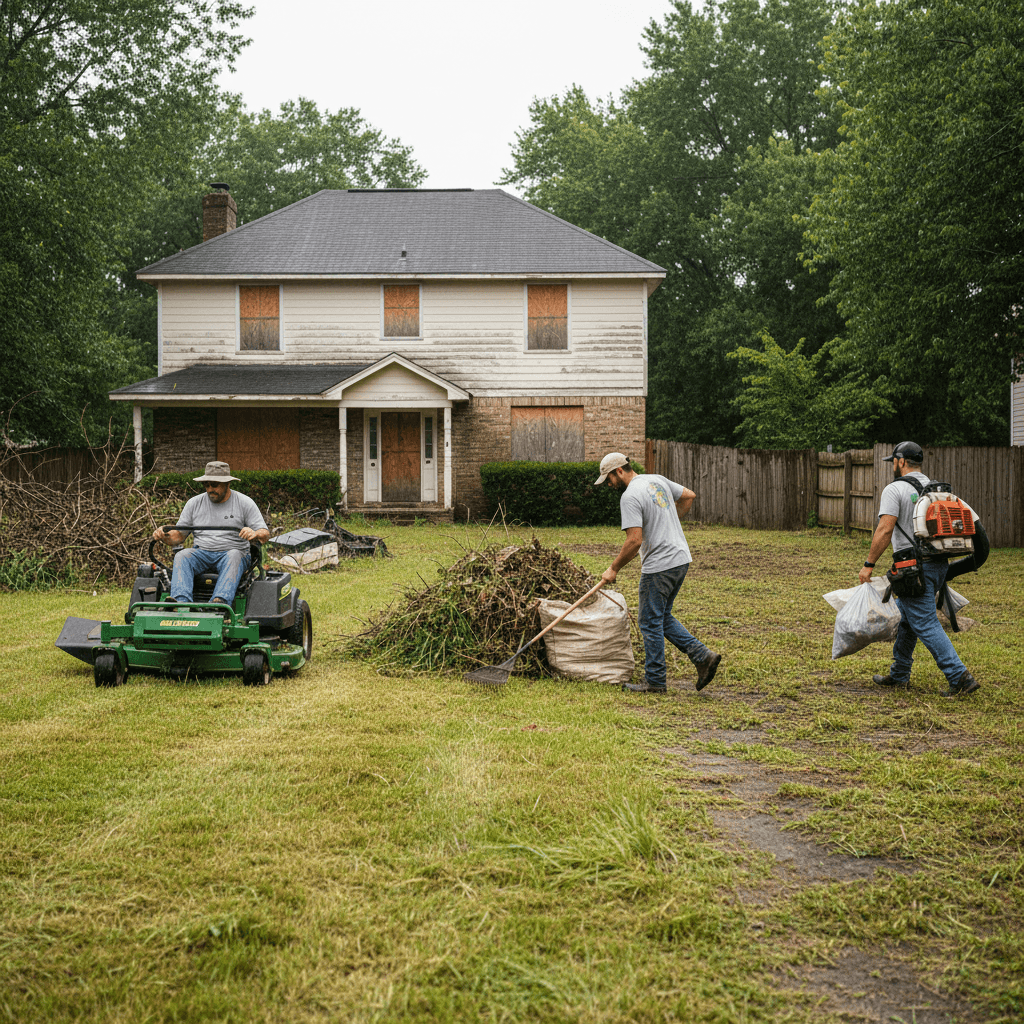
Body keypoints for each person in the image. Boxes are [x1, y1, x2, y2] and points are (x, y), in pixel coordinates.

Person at [858, 441, 979, 696]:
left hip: (913, 568)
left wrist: (869, 565)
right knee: (907, 619)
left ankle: (960, 677)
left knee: (924, 623)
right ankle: (900, 673)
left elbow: (885, 528)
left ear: (901, 461)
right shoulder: (935, 490)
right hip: (938, 565)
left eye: (893, 461)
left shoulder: (895, 489)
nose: (893, 465)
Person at [597, 453, 721, 694]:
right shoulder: (656, 480)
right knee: (661, 617)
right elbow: (688, 496)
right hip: (680, 558)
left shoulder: (630, 496)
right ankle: (703, 656)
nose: (609, 484)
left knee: (649, 621)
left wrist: (613, 568)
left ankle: (655, 680)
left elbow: (634, 541)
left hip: (660, 565)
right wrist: (669, 522)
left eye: (609, 478)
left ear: (619, 471)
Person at [152, 461, 270, 606]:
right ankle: (180, 603)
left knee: (233, 555)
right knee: (182, 555)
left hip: (234, 554)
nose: (210, 489)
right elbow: (178, 536)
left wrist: (255, 533)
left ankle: (219, 602)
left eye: (214, 485)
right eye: (206, 485)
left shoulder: (244, 503)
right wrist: (163, 535)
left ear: (227, 484)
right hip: (202, 553)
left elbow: (265, 534)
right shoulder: (194, 504)